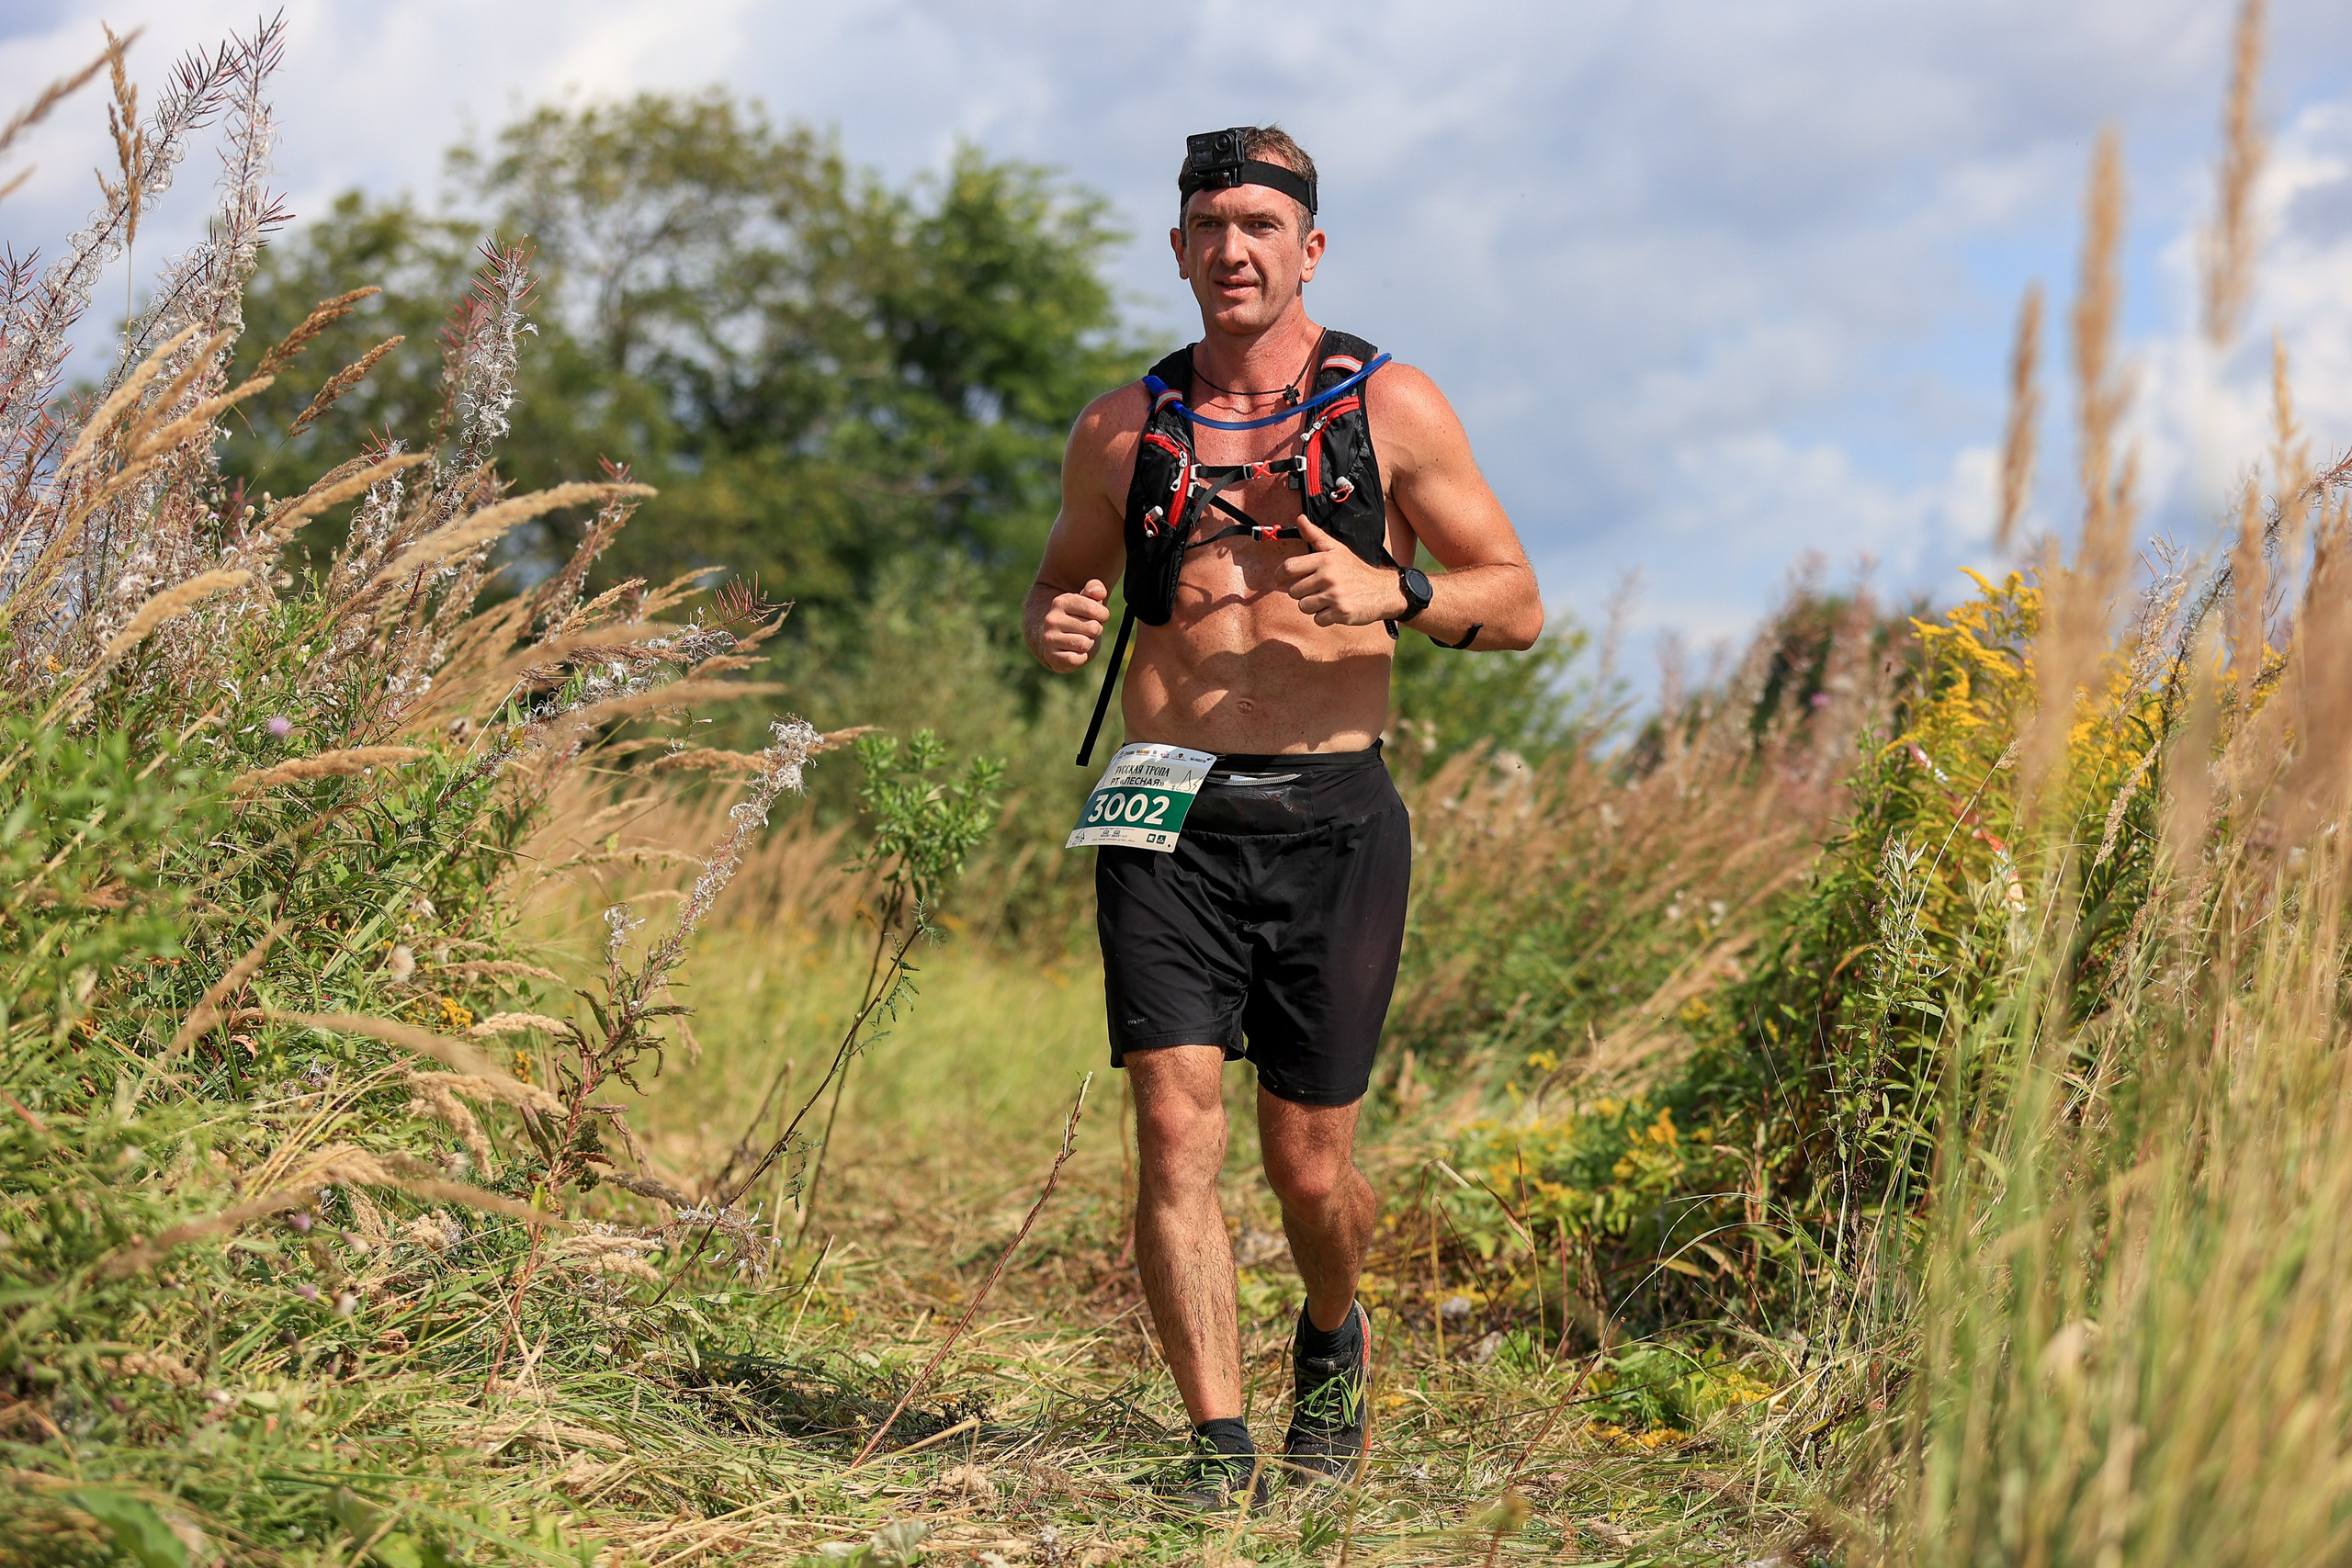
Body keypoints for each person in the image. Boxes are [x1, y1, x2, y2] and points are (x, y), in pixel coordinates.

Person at [1023, 125, 1544, 1510]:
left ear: (1309, 249)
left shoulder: (1394, 410)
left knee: (1309, 1171)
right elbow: (1058, 586)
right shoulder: (1119, 431)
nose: (1235, 248)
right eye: (1211, 225)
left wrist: (1404, 597)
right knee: (1176, 1134)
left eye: (1262, 225)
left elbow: (1520, 602)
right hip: (1164, 811)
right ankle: (1216, 1447)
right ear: (1180, 249)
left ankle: (1331, 1332)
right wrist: (1058, 624)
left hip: (1333, 815)